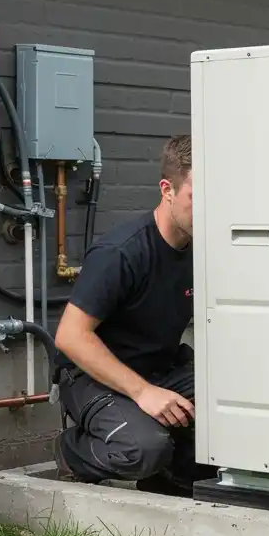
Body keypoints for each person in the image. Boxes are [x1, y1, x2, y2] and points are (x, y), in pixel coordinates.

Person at [50, 133, 214, 496]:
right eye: (196, 197)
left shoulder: (201, 249)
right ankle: (71, 453)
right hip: (95, 377)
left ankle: (167, 479)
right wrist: (143, 392)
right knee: (144, 448)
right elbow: (70, 337)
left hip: (160, 369)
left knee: (231, 416)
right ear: (167, 189)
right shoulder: (121, 252)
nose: (207, 209)